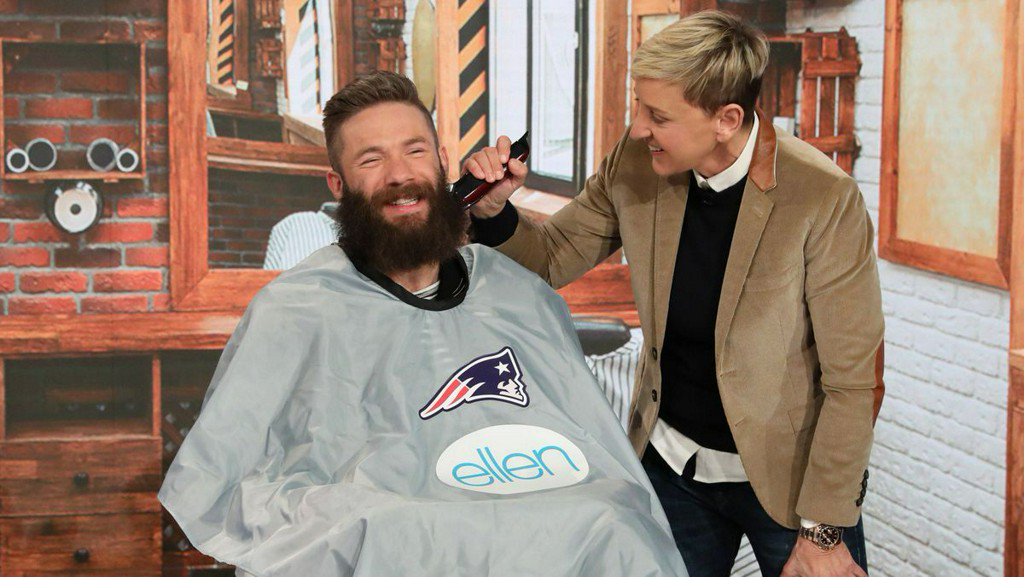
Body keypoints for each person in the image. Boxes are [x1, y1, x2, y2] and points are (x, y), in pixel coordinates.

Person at [158, 71, 688, 577]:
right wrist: (373, 521)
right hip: (398, 546)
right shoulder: (296, 309)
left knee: (618, 523)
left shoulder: (514, 290)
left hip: (553, 532)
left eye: (414, 151)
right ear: (338, 184)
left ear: (442, 163)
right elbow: (221, 484)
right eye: (371, 159)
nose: (399, 174)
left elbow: (598, 457)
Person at [464, 11, 884, 577]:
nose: (638, 128)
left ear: (726, 119)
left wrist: (823, 532)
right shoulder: (637, 161)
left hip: (790, 484)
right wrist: (495, 214)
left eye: (658, 116)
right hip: (671, 464)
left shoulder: (823, 198)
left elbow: (852, 381)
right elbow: (553, 255)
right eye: (640, 107)